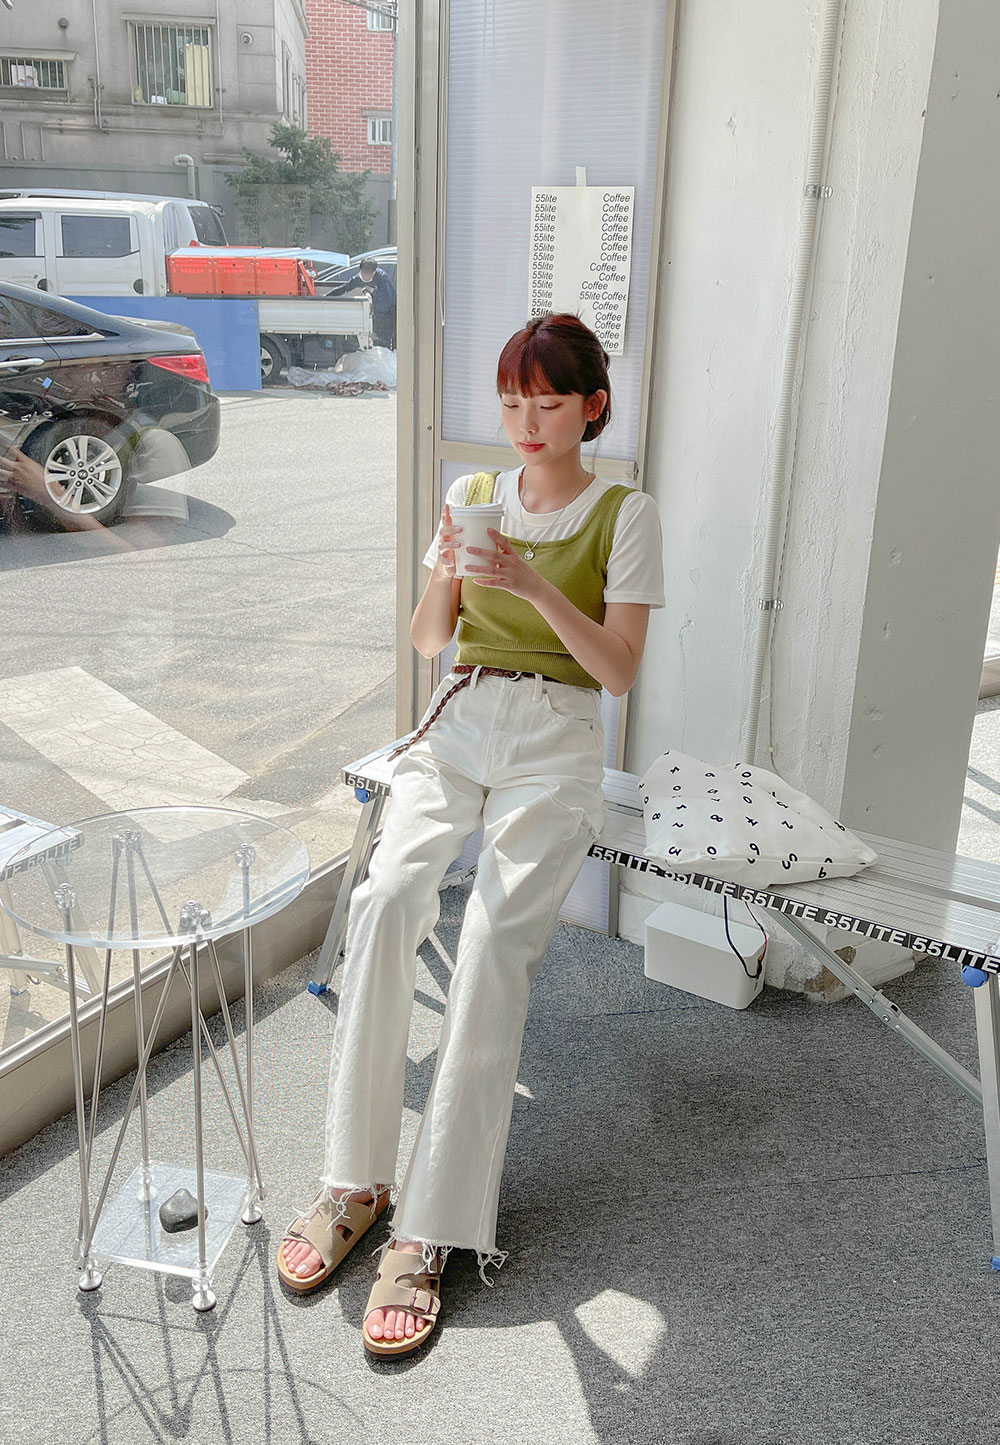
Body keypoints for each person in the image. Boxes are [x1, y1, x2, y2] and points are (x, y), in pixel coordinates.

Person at [277, 313, 665, 1357]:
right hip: (461, 715)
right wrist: (449, 570)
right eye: (510, 401)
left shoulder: (624, 512)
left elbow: (617, 669)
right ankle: (354, 1180)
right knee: (387, 899)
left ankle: (431, 1229)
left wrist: (533, 583)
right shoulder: (472, 494)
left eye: (548, 401)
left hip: (556, 732)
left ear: (592, 405)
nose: (525, 422)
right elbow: (426, 639)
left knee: (491, 944)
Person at [324, 257, 396, 349]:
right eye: (363, 273)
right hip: (376, 314)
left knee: (384, 341)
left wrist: (372, 293)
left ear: (374, 272)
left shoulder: (382, 278)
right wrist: (327, 296)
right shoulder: (359, 278)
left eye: (368, 274)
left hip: (388, 313)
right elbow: (345, 288)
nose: (365, 276)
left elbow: (386, 302)